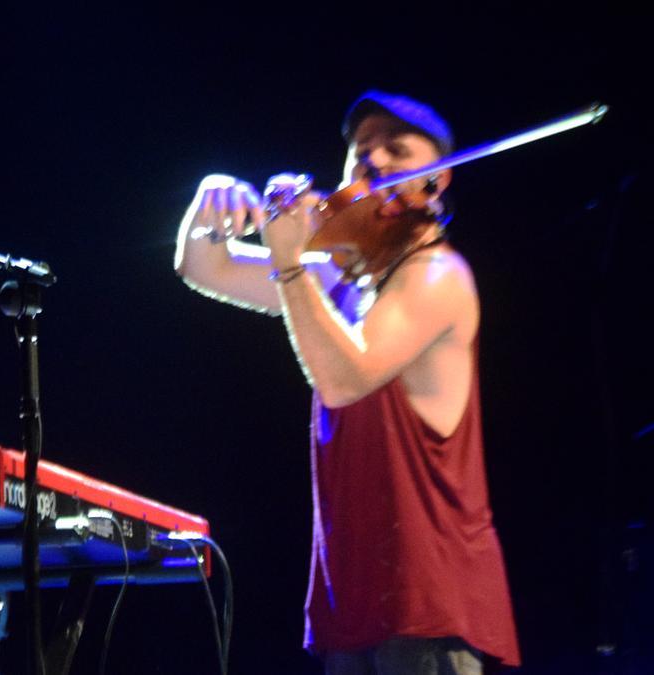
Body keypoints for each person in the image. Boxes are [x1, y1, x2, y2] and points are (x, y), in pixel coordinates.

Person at [174, 91, 521, 673]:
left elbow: (344, 378)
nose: (373, 162)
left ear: (437, 182)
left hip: (427, 610)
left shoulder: (437, 275)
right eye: (361, 152)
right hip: (354, 605)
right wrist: (209, 201)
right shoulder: (339, 284)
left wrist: (289, 264)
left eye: (396, 149)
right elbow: (203, 266)